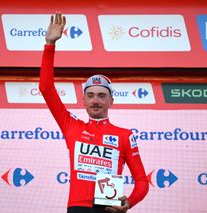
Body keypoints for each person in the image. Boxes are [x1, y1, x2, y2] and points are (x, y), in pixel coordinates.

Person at [39, 13, 149, 213]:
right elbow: (46, 88)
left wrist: (129, 202)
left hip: (108, 208)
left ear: (111, 101)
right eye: (90, 95)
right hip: (77, 208)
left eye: (101, 95)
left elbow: (142, 181)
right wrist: (49, 45)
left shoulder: (124, 135)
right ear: (83, 101)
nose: (95, 100)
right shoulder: (72, 126)